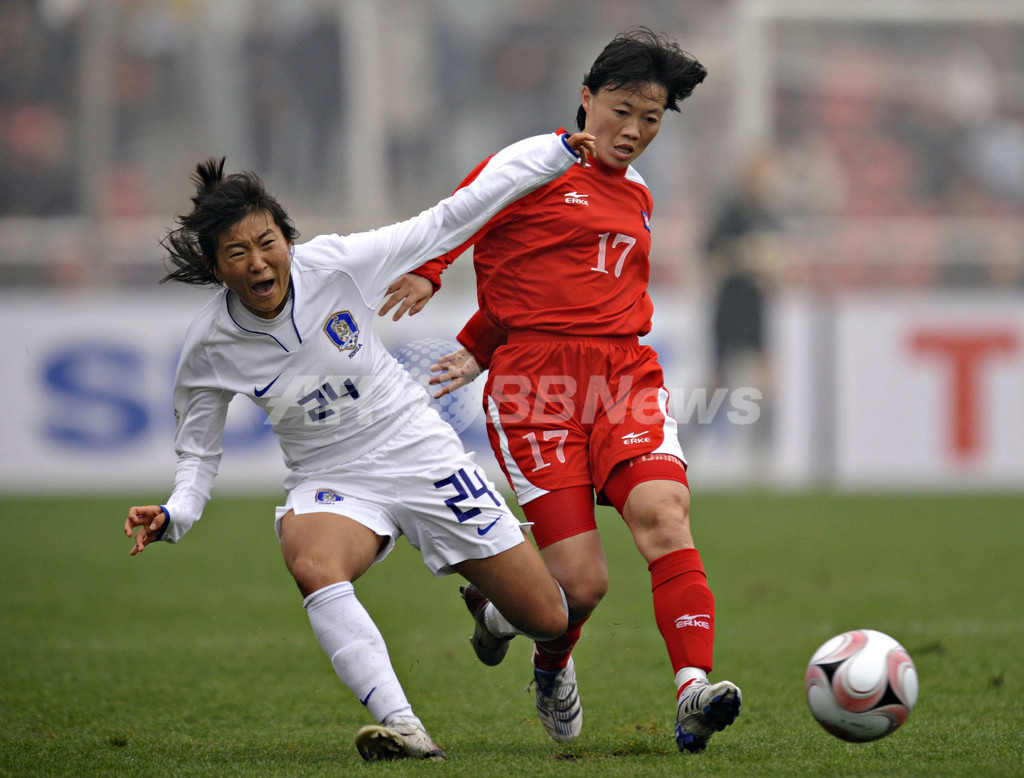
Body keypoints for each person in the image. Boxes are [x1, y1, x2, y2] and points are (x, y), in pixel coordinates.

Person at [123, 128, 597, 762]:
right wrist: (176, 513)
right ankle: (405, 727)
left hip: (416, 448)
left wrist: (555, 153)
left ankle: (492, 618)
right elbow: (198, 454)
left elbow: (446, 220)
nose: (259, 263)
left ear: (287, 240)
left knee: (550, 617)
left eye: (268, 243)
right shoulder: (208, 346)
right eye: (237, 253)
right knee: (311, 562)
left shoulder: (337, 264)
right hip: (330, 476)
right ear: (215, 266)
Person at [380, 29, 741, 754]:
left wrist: (481, 340)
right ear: (586, 98)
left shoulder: (639, 192)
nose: (634, 131)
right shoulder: (534, 160)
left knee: (665, 516)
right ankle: (547, 660)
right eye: (622, 110)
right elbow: (463, 211)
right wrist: (434, 271)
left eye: (652, 118)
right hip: (535, 390)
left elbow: (559, 284)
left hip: (624, 376)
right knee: (578, 586)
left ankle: (693, 690)